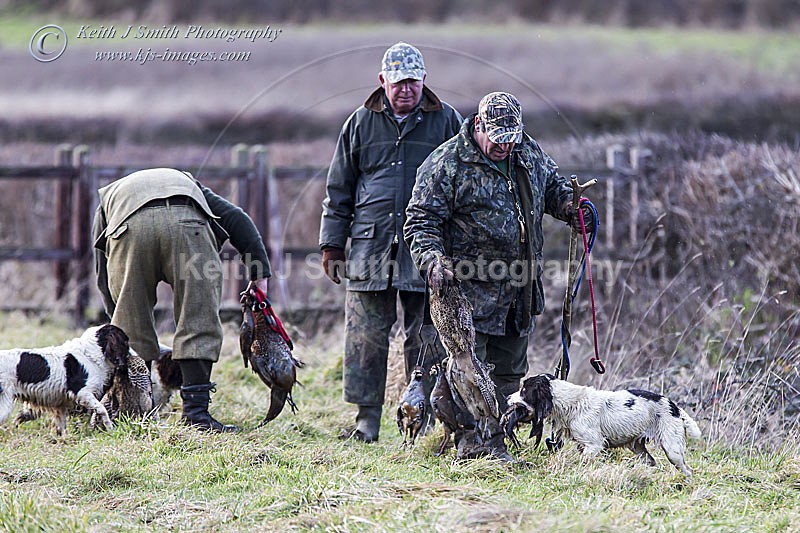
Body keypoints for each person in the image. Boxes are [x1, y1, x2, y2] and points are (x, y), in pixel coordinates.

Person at [404, 92, 594, 460]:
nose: (504, 144)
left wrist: (570, 207)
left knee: (510, 369)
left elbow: (552, 187)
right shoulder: (447, 163)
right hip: (467, 292)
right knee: (471, 372)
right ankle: (473, 444)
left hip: (519, 288)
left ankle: (499, 438)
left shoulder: (527, 151)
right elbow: (420, 221)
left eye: (511, 137)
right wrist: (431, 260)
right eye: (497, 136)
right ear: (478, 125)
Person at [319, 42, 462, 442]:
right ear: (382, 81)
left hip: (429, 251)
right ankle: (367, 423)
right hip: (370, 248)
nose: (405, 90)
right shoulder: (359, 123)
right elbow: (339, 188)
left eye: (413, 82)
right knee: (365, 335)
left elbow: (465, 183)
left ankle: (424, 420)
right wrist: (332, 244)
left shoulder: (448, 122)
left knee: (429, 336)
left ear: (424, 81)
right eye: (398, 83)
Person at [92, 167, 271, 433]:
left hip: (129, 229)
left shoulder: (110, 196)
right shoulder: (188, 184)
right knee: (198, 318)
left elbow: (102, 267)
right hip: (189, 229)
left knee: (131, 325)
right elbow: (237, 218)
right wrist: (260, 274)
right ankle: (197, 415)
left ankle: (134, 416)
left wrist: (116, 318)